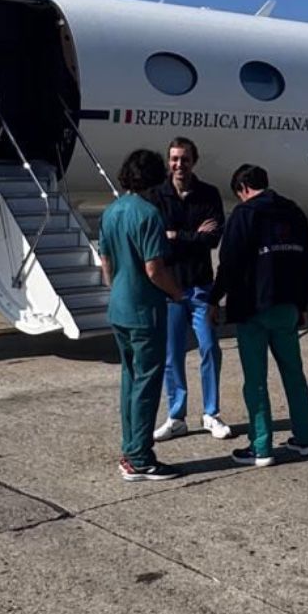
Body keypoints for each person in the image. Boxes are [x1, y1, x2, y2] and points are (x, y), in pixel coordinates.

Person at [209, 164, 308, 467]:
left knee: (256, 380)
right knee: (294, 375)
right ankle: (304, 438)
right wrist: (302, 304)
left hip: (253, 308)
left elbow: (229, 262)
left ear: (243, 188)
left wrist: (214, 299)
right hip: (288, 306)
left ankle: (261, 446)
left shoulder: (244, 214)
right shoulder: (294, 212)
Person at [99, 148, 187, 481]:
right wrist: (177, 293)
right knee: (147, 384)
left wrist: (117, 289)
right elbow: (154, 269)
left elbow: (106, 262)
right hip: (144, 310)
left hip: (119, 306)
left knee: (130, 380)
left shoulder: (111, 211)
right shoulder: (149, 215)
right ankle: (140, 457)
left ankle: (129, 448)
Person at [150, 136, 232, 442]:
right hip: (169, 288)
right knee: (172, 355)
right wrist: (191, 236)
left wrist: (176, 236)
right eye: (174, 159)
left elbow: (212, 238)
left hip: (200, 287)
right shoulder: (157, 195)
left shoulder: (208, 194)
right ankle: (176, 416)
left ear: (194, 161)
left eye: (184, 159)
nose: (179, 164)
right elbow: (157, 238)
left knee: (210, 348)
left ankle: (211, 413)